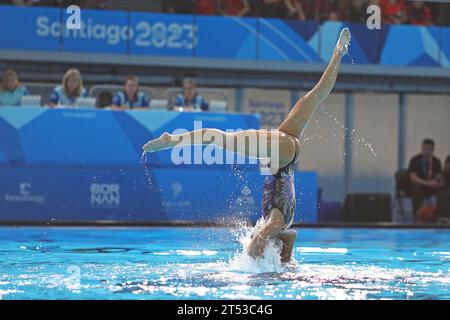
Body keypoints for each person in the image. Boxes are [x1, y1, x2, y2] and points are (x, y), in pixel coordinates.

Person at [143, 28, 351, 263]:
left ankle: (338, 53)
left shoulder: (283, 221)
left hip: (287, 152)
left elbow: (278, 243)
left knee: (312, 98)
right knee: (222, 139)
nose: (256, 229)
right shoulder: (277, 220)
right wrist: (250, 257)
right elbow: (258, 243)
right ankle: (171, 141)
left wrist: (270, 254)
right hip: (280, 154)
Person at [408, 139, 443, 219]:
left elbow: (439, 177)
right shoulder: (415, 160)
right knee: (415, 186)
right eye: (425, 149)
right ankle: (417, 213)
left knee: (443, 191)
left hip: (432, 186)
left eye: (429, 149)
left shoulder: (436, 161)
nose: (427, 151)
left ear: (433, 150)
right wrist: (428, 183)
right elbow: (414, 178)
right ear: (421, 148)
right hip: (420, 185)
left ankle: (440, 215)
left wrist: (438, 182)